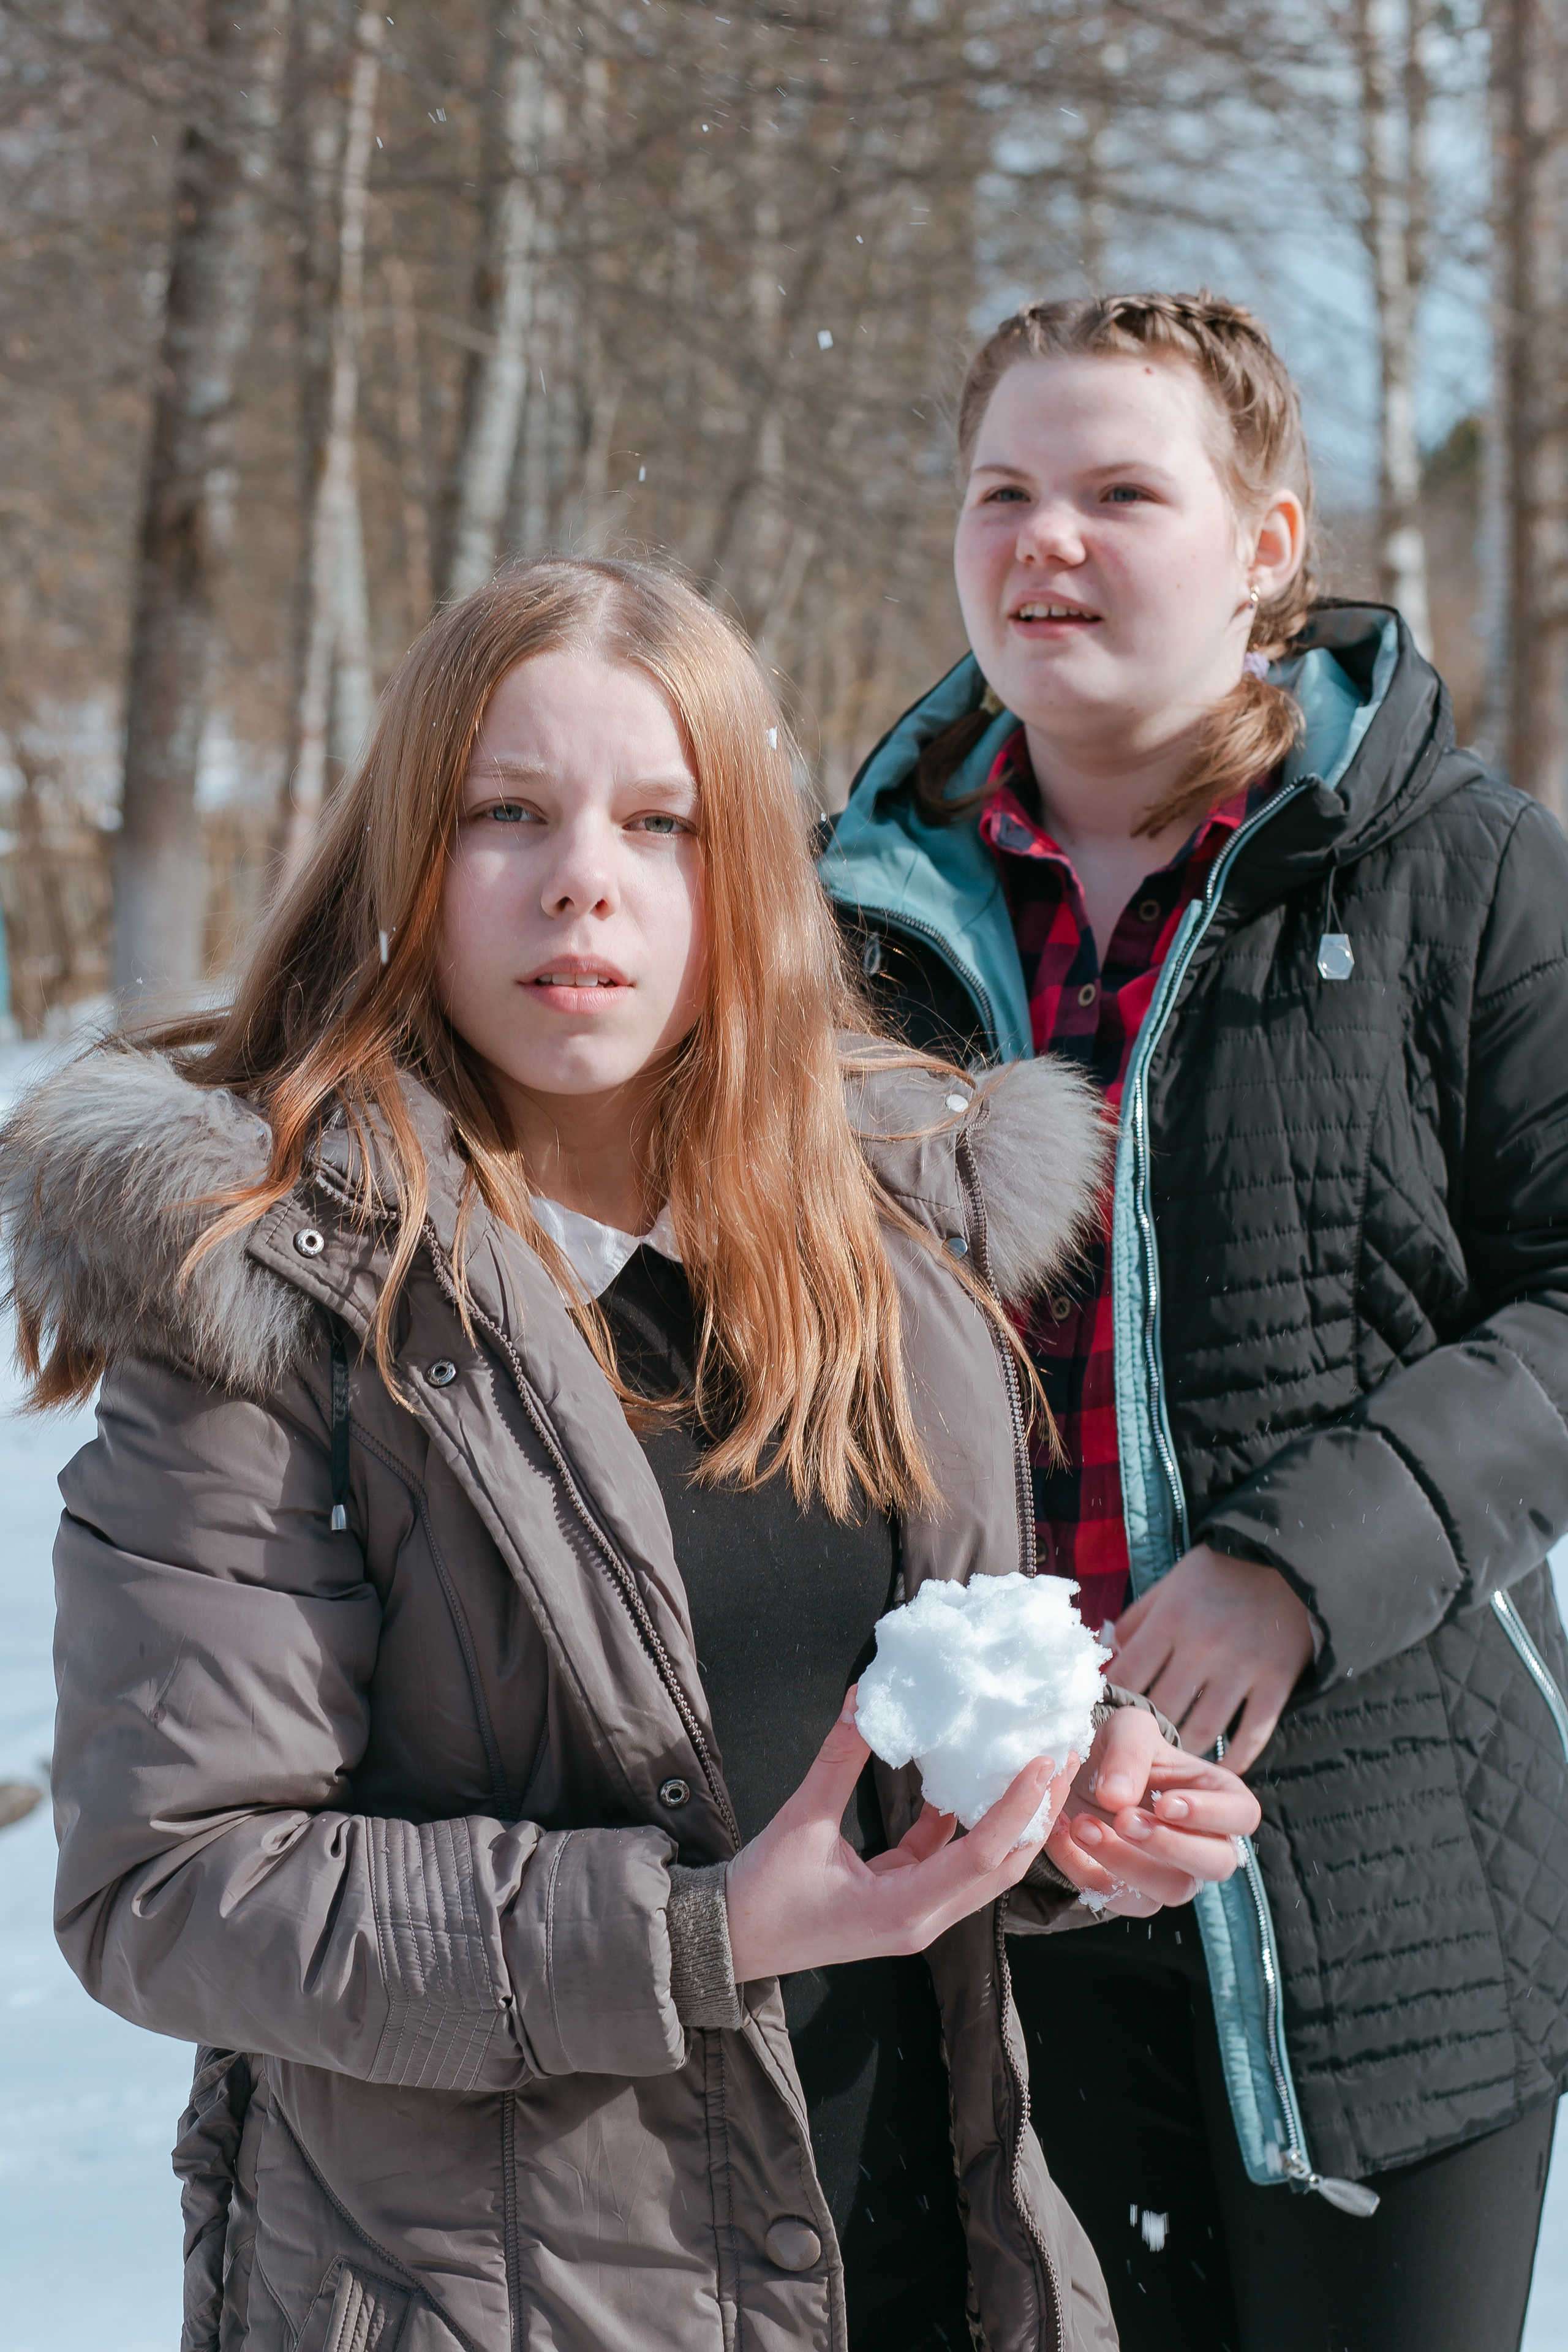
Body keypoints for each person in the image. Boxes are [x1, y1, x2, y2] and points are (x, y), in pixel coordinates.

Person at [0, 558, 1260, 2352]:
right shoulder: (271, 1292)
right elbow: (174, 1886)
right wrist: (696, 1931)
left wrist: (1057, 1796)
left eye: (660, 822)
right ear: (405, 863)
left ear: (739, 876)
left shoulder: (892, 1249)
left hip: (918, 2272)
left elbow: (872, 1740)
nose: (584, 876)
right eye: (506, 811)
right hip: (492, 2305)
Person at [820, 292, 1568, 2352]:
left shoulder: (1463, 875)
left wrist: (1289, 1572)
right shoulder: (844, 926)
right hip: (984, 1885)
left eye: (1120, 491)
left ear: (1265, 544)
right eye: (1004, 492)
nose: (1045, 540)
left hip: (1385, 1889)